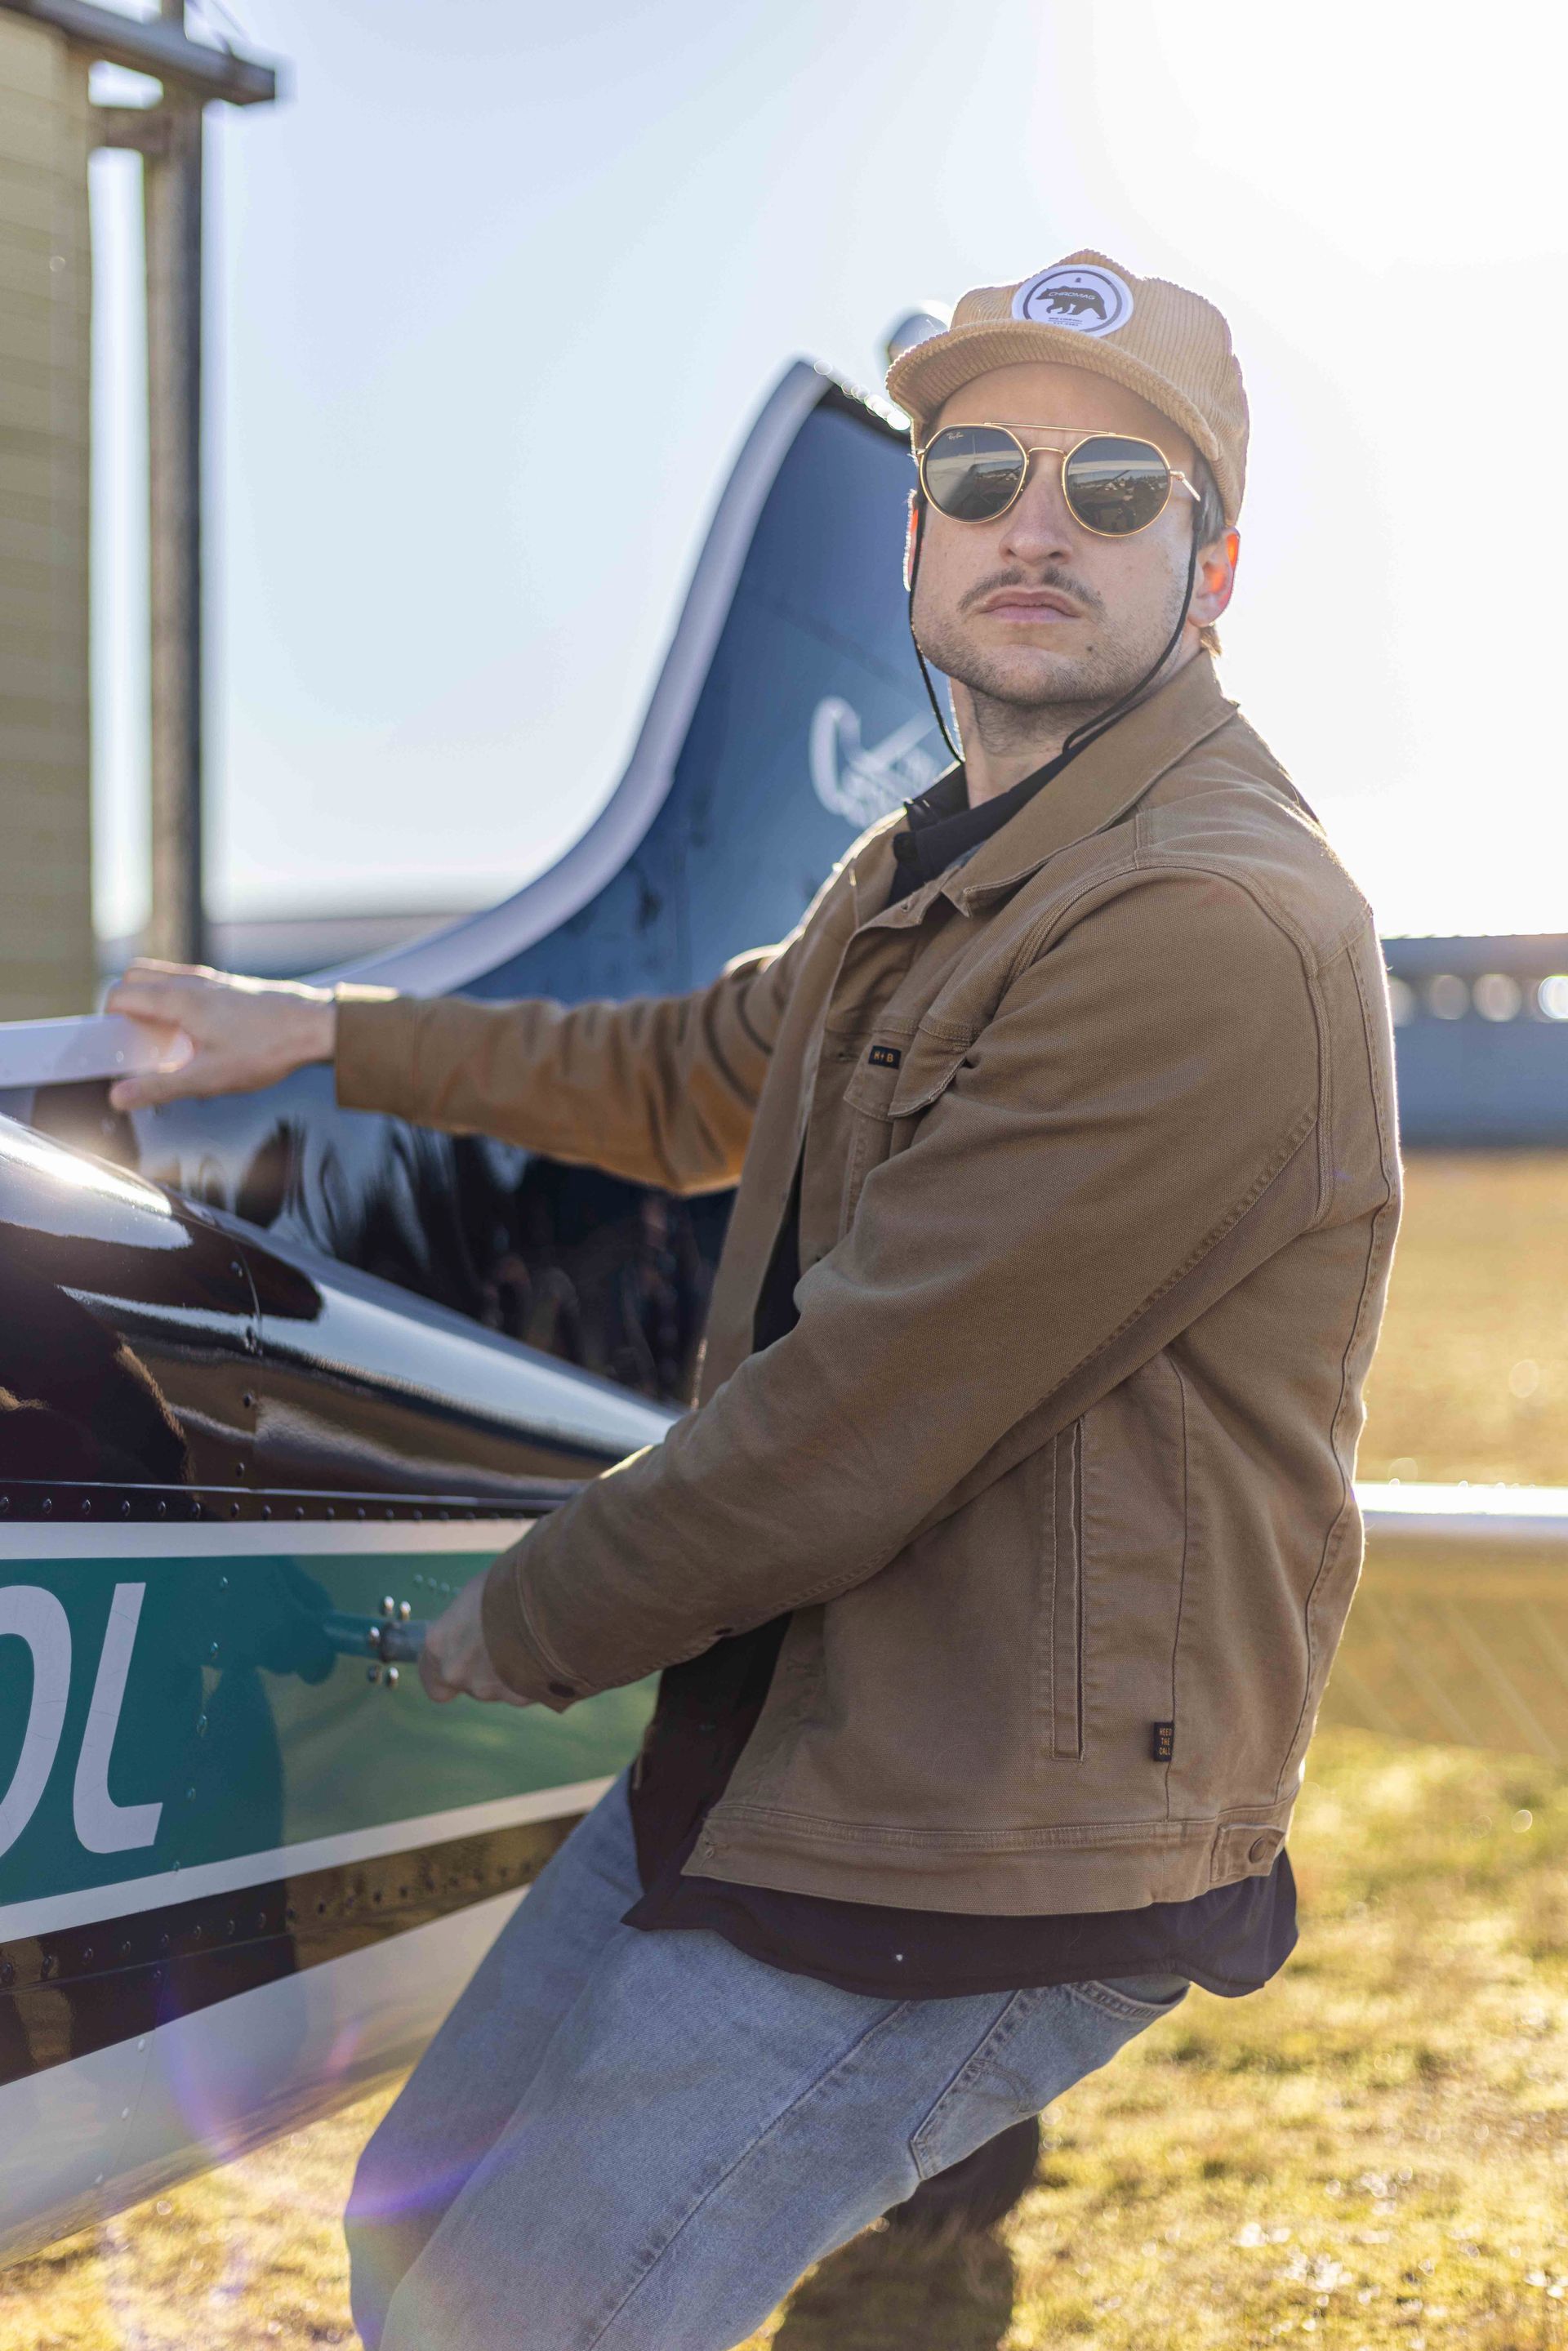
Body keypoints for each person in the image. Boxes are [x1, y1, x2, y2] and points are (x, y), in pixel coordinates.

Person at [106, 249, 1401, 2351]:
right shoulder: (926, 869)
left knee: (517, 2314)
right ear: (917, 539)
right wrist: (316, 1032)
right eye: (979, 474)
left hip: (984, 1839)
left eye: (1116, 489)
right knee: (409, 2245)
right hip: (777, 1738)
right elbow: (682, 1076)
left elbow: (859, 1417)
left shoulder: (1211, 920)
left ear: (1215, 562)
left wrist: (514, 1626)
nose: (1034, 525)